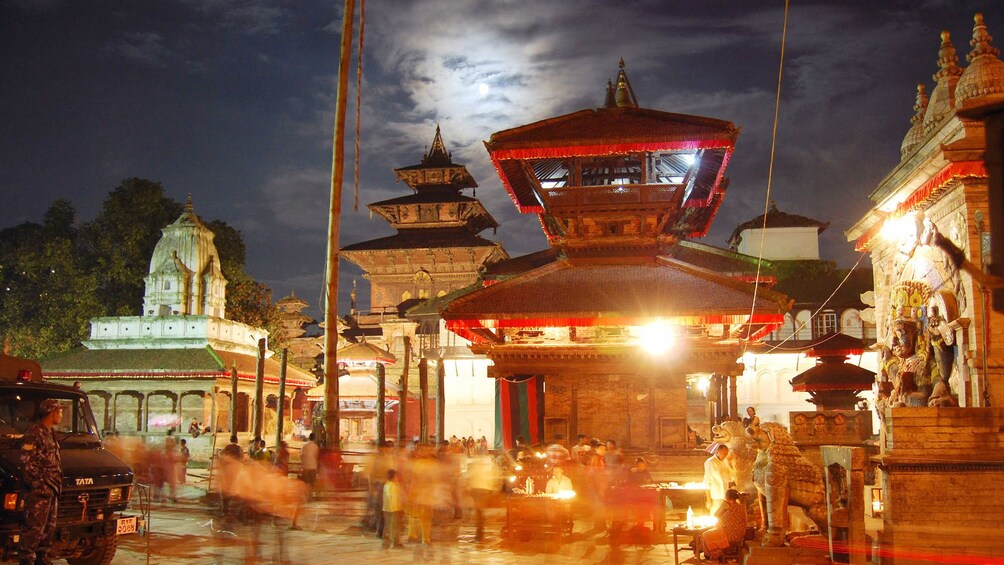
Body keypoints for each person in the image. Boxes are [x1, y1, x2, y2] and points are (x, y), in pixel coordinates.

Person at [18, 399, 63, 565]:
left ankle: (42, 559)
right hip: (40, 491)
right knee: (33, 530)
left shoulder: (51, 433)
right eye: (59, 411)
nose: (61, 415)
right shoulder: (34, 433)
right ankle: (26, 560)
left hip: (52, 489)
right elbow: (26, 462)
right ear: (51, 412)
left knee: (48, 529)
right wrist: (40, 486)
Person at [701, 489, 749, 560]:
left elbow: (716, 515)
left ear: (727, 497)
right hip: (740, 533)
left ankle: (714, 554)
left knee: (705, 535)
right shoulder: (740, 506)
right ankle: (710, 554)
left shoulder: (727, 506)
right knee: (710, 532)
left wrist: (723, 505)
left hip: (729, 534)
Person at [704, 444, 731, 513]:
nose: (725, 455)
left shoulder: (725, 462)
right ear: (718, 452)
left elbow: (730, 476)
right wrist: (708, 499)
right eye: (724, 453)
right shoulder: (710, 462)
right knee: (716, 514)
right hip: (716, 494)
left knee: (724, 516)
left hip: (725, 494)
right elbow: (707, 481)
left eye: (726, 453)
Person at [381, 469, 404, 548]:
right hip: (394, 509)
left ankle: (386, 541)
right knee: (395, 526)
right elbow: (394, 498)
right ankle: (396, 542)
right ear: (394, 476)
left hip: (386, 508)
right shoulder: (394, 486)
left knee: (387, 526)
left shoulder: (386, 484)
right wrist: (399, 508)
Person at [300, 432, 320, 500]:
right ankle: (310, 496)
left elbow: (302, 456)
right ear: (314, 438)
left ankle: (306, 496)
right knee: (311, 482)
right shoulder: (316, 447)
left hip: (306, 466)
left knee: (306, 482)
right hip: (313, 466)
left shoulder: (304, 446)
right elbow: (316, 457)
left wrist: (302, 465)